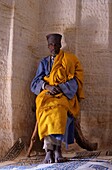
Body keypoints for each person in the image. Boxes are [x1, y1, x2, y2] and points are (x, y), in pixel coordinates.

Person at [31, 33, 85, 163]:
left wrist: (60, 88)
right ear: (48, 46)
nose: (53, 47)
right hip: (46, 95)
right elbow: (34, 83)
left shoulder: (69, 60)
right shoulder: (44, 62)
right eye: (51, 44)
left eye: (56, 44)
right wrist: (47, 87)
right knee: (46, 111)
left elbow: (75, 81)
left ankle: (57, 150)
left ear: (60, 45)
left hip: (64, 94)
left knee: (59, 111)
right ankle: (49, 151)